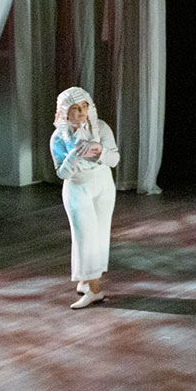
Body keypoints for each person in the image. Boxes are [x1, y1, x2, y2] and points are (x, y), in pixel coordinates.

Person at [51, 86, 120, 308]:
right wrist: (73, 154)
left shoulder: (101, 128)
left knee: (99, 236)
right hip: (78, 187)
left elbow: (114, 159)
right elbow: (62, 173)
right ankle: (95, 290)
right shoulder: (58, 137)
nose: (81, 112)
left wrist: (99, 150)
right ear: (64, 111)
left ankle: (87, 280)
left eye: (84, 106)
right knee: (85, 237)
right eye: (75, 108)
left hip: (102, 185)